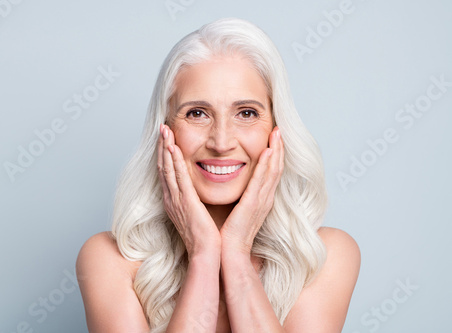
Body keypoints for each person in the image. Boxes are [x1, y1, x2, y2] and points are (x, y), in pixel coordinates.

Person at [76, 18, 360, 333]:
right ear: (166, 129)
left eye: (247, 113)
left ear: (277, 129)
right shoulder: (108, 260)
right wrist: (203, 254)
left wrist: (236, 251)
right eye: (197, 113)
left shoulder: (325, 256)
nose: (221, 143)